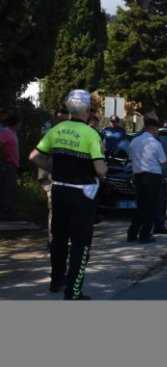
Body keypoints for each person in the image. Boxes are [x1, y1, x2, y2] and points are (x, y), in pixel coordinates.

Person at [29, 89, 108, 300]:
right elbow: (100, 169)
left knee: (59, 239)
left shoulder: (57, 129)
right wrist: (104, 170)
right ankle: (73, 291)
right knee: (81, 243)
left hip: (59, 189)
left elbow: (34, 156)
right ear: (87, 110)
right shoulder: (92, 134)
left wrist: (56, 169)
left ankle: (56, 281)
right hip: (82, 194)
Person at [127, 117, 167, 244]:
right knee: (151, 207)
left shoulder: (134, 141)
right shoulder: (155, 143)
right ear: (153, 129)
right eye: (157, 129)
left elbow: (130, 157)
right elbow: (163, 161)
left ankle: (132, 233)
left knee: (141, 207)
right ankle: (145, 234)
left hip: (138, 176)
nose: (157, 132)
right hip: (153, 177)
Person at [37, 108, 69, 247]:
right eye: (60, 120)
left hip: (66, 181)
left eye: (66, 120)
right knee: (54, 210)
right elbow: (38, 157)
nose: (63, 123)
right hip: (51, 179)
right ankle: (53, 240)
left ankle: (61, 239)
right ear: (55, 120)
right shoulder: (50, 135)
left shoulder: (69, 135)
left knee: (65, 211)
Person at [0, 113, 22, 220]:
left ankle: (8, 211)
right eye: (19, 122)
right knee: (6, 189)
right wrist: (5, 155)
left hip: (12, 163)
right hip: (8, 164)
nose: (20, 124)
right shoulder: (7, 132)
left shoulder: (12, 132)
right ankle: (4, 213)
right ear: (16, 123)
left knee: (10, 189)